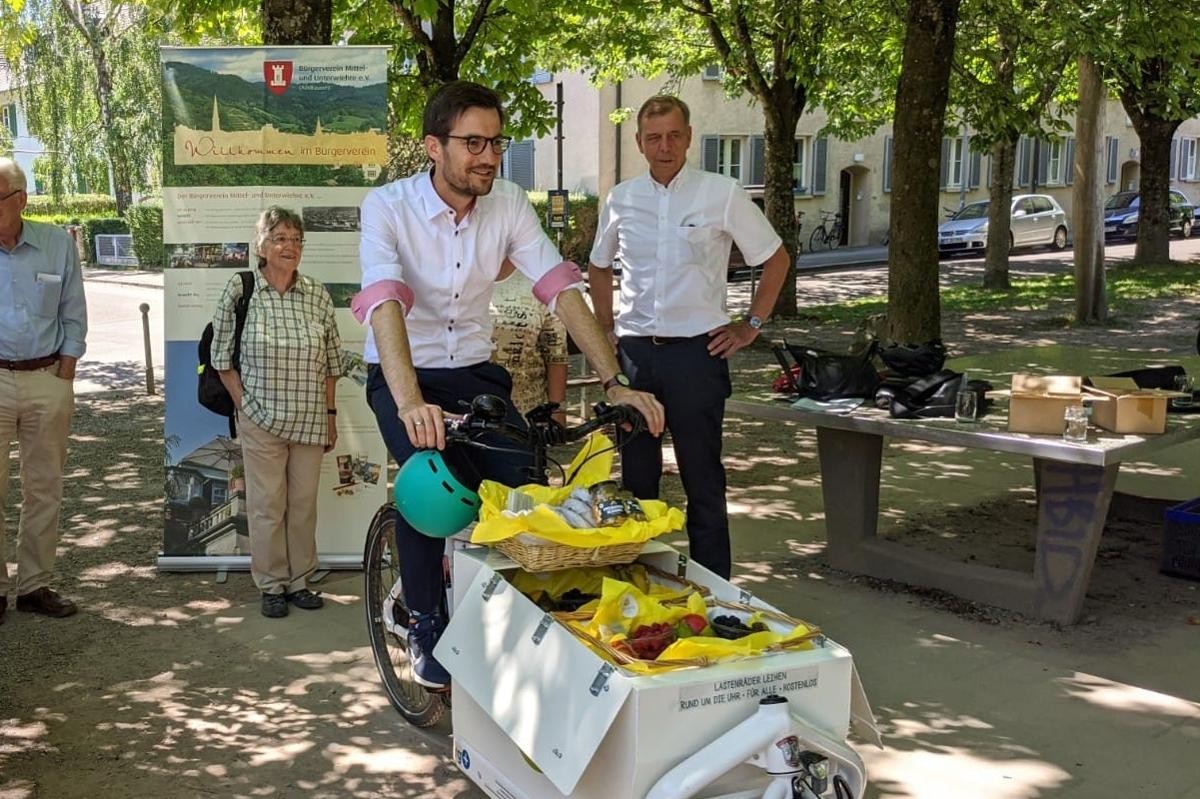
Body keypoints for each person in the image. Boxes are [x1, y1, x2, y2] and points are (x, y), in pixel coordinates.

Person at [352, 80, 664, 689]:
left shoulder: (510, 204)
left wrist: (614, 381)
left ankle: (511, 620)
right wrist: (411, 400)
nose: (489, 157)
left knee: (524, 488)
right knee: (430, 480)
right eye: (473, 143)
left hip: (473, 372)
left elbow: (560, 290)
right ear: (433, 148)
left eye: (496, 142)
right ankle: (423, 618)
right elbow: (385, 300)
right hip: (404, 373)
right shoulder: (387, 205)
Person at [588, 95, 790, 580]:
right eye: (654, 138)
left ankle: (714, 588)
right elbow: (597, 266)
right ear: (639, 142)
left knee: (703, 480)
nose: (665, 147)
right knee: (637, 483)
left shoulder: (720, 192)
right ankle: (640, 584)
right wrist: (606, 329)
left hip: (697, 356)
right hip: (635, 357)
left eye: (674, 135)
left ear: (689, 138)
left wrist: (751, 325)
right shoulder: (621, 198)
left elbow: (776, 258)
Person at [211, 207, 345, 619]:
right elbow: (220, 357)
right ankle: (271, 585)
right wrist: (244, 405)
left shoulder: (317, 294)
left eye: (297, 239)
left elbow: (332, 363)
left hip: (308, 419)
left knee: (303, 505)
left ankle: (300, 580)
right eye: (281, 238)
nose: (290, 246)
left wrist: (329, 415)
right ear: (262, 246)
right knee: (268, 505)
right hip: (261, 418)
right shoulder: (242, 288)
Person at [0, 157, 88, 623]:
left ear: (21, 200)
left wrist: (66, 372)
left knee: (44, 488)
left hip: (47, 377)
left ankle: (34, 585)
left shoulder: (56, 244)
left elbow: (74, 310)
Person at [489, 259, 569, 424]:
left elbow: (556, 354)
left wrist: (557, 410)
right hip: (463, 416)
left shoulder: (539, 278)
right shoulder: (450, 277)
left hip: (527, 417)